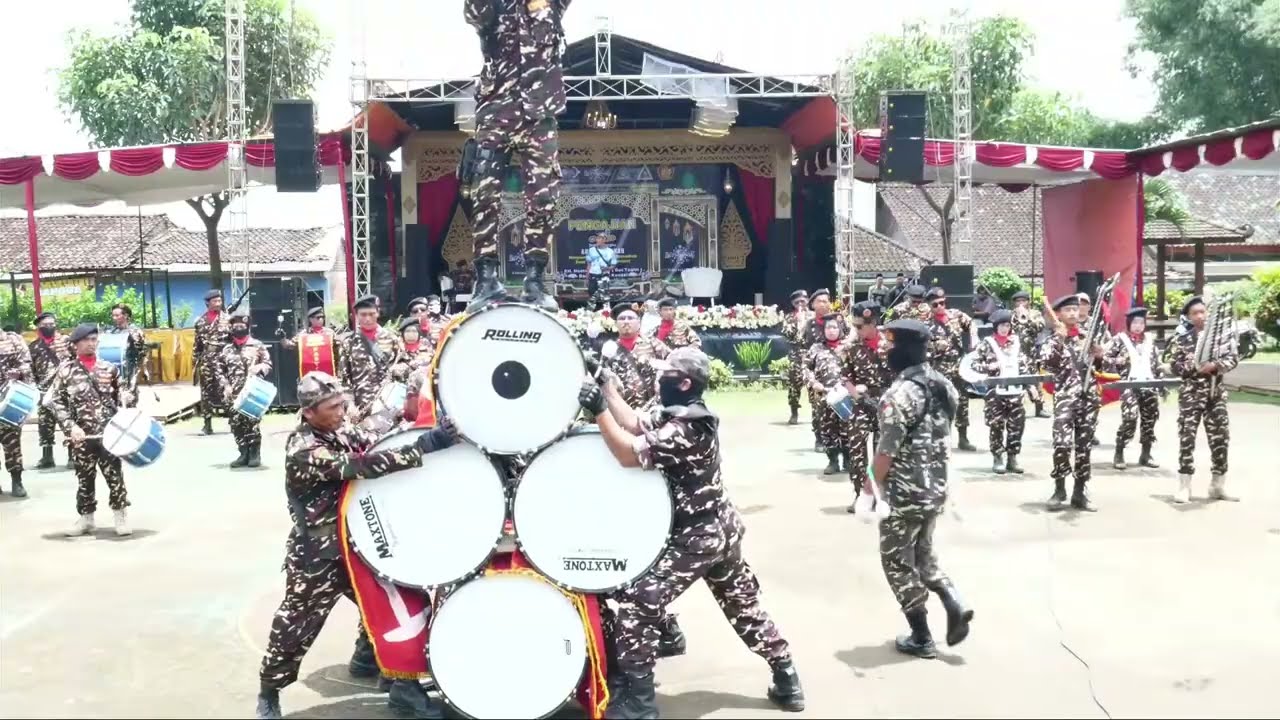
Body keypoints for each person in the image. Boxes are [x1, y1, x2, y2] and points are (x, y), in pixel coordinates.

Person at [579, 347, 804, 718]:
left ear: (684, 383)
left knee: (639, 600)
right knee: (742, 605)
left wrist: (598, 410)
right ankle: (786, 677)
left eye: (665, 374)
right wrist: (606, 386)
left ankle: (639, 703)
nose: (658, 378)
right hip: (717, 528)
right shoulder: (680, 413)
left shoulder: (687, 429)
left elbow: (625, 452)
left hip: (698, 537)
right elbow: (635, 422)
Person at [254, 372, 457, 720]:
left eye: (342, 403)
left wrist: (406, 408)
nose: (341, 411)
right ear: (309, 413)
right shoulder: (304, 449)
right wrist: (422, 447)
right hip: (318, 556)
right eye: (333, 407)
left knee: (397, 607)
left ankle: (393, 679)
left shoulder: (340, 429)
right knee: (296, 626)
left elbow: (371, 434)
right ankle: (269, 692)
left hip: (360, 546)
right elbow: (358, 465)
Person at [872, 319, 972, 659]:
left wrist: (870, 489)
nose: (885, 351)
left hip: (904, 493)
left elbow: (887, 450)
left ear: (902, 350)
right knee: (924, 554)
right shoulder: (944, 385)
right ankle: (953, 599)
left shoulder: (898, 394)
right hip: (935, 487)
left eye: (889, 346)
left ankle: (921, 635)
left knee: (896, 561)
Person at [463, 0, 572, 312]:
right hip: (497, 109)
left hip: (540, 114)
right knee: (484, 194)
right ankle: (486, 279)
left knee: (544, 196)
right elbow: (473, 15)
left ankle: (535, 280)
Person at [44, 324, 133, 536]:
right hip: (81, 436)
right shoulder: (66, 371)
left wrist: (128, 398)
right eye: (86, 340)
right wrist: (70, 426)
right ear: (76, 345)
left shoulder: (109, 369)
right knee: (85, 478)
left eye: (94, 339)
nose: (91, 343)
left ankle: (120, 516)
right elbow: (55, 402)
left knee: (115, 476)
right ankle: (86, 519)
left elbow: (122, 397)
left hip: (108, 434)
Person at [1169, 296, 1239, 504]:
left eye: (1202, 311)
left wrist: (1215, 366)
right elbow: (1175, 366)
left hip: (1215, 394)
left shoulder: (1221, 338)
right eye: (1194, 313)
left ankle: (1217, 485)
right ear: (1188, 317)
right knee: (1187, 438)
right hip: (1191, 395)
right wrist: (1195, 366)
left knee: (1220, 438)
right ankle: (1184, 486)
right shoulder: (1182, 339)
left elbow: (1233, 358)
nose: (1200, 316)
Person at [1038, 295, 1102, 512]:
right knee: (1062, 445)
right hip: (1066, 398)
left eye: (1076, 309)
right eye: (1068, 310)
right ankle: (1059, 488)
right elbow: (1047, 362)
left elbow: (1106, 366)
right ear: (1059, 314)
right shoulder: (1053, 338)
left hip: (1088, 398)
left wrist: (1100, 355)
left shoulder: (1088, 337)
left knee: (1084, 448)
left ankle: (1080, 491)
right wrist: (1059, 339)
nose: (1073, 313)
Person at [840, 300, 892, 512]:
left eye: (860, 326)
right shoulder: (852, 348)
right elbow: (845, 377)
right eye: (854, 326)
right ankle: (860, 493)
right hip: (861, 404)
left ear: (873, 323)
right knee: (856, 449)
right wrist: (857, 396)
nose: (856, 330)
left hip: (885, 404)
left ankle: (880, 494)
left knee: (883, 450)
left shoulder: (890, 346)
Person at [1104, 307, 1162, 470]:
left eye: (1141, 323)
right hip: (1129, 383)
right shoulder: (1119, 339)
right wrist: (1117, 361)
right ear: (1129, 323)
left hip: (1149, 383)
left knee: (1149, 419)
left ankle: (1146, 453)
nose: (1138, 326)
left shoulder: (1150, 339)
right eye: (1135, 323)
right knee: (1130, 417)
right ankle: (1119, 451)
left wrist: (1161, 379)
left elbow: (1157, 362)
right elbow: (1105, 358)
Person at [973, 309, 1029, 474]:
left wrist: (1030, 387)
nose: (1005, 329)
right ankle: (997, 456)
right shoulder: (987, 344)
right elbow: (974, 364)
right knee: (997, 425)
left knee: (1016, 426)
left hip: (1015, 390)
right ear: (996, 326)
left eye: (1007, 325)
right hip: (995, 392)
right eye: (1002, 326)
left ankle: (1012, 457)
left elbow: (1025, 366)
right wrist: (988, 367)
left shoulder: (1016, 342)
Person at [924, 288, 976, 451]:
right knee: (939, 405)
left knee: (962, 402)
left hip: (958, 366)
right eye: (935, 304)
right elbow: (925, 350)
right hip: (939, 369)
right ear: (929, 306)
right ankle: (940, 439)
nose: (940, 307)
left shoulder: (956, 315)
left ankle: (963, 438)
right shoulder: (927, 325)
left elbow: (971, 324)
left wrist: (973, 339)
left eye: (942, 303)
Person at [338, 295, 406, 420]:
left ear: (378, 313)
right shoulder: (348, 342)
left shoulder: (391, 338)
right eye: (363, 315)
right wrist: (350, 405)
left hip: (388, 404)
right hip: (361, 408)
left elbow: (406, 364)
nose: (367, 318)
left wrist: (399, 368)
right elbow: (343, 379)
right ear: (356, 316)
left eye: (371, 314)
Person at [219, 312, 272, 468]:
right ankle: (243, 453)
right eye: (235, 326)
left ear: (247, 327)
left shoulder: (258, 345)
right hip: (233, 393)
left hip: (252, 392)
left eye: (242, 326)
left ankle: (255, 454)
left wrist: (260, 367)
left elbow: (268, 364)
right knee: (236, 424)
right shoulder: (226, 349)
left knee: (252, 422)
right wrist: (225, 385)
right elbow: (219, 370)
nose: (238, 328)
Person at [805, 315, 851, 476]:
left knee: (847, 428)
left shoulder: (848, 348)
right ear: (823, 331)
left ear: (840, 330)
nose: (831, 331)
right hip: (824, 394)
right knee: (827, 429)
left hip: (845, 395)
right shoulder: (816, 348)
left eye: (834, 328)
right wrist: (813, 382)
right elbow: (807, 368)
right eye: (828, 328)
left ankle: (848, 460)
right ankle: (832, 461)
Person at [803, 289, 847, 452]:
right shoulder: (809, 324)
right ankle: (821, 439)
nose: (824, 304)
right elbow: (804, 348)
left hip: (840, 381)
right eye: (820, 301)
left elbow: (849, 338)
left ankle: (845, 452)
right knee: (819, 410)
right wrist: (811, 379)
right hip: (818, 370)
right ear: (813, 304)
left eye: (826, 300)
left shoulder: (839, 320)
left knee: (844, 416)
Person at [29, 311, 71, 471]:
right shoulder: (34, 346)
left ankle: (72, 457)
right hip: (44, 391)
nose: (49, 327)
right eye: (45, 325)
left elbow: (76, 361)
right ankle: (47, 457)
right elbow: (30, 370)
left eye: (52, 324)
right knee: (45, 424)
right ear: (39, 327)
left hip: (65, 389)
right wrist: (34, 387)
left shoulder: (66, 342)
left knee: (68, 421)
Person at [604, 303, 658, 409]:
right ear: (616, 324)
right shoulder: (609, 350)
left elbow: (671, 366)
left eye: (630, 318)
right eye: (622, 318)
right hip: (622, 411)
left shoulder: (653, 344)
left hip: (651, 410)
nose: (626, 321)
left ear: (639, 322)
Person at [0, 326, 33, 497]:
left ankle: (16, 481)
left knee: (12, 444)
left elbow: (26, 362)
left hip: (9, 398)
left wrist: (19, 373)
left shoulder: (13, 340)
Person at [194, 289, 230, 435]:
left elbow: (233, 340)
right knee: (206, 393)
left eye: (220, 301)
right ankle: (207, 424)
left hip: (223, 359)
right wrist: (195, 362)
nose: (218, 304)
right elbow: (197, 344)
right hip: (207, 360)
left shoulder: (228, 319)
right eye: (215, 301)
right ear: (207, 303)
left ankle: (233, 422)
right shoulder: (201, 321)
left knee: (227, 390)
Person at [1009, 290, 1049, 418]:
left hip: (1029, 352)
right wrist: (1015, 317)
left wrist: (1028, 317)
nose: (1021, 303)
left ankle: (1039, 407)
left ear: (1028, 302)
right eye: (1018, 301)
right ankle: (1014, 408)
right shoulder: (1010, 315)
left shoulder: (1035, 314)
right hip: (1012, 352)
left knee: (1034, 378)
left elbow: (1040, 327)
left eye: (1023, 301)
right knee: (1014, 379)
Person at [104, 304, 149, 408]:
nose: (114, 318)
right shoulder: (111, 332)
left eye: (117, 315)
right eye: (113, 315)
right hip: (114, 370)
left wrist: (144, 368)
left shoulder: (134, 331)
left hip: (129, 369)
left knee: (129, 397)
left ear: (126, 316)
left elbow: (143, 351)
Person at [779, 290, 811, 426]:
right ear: (793, 303)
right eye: (797, 302)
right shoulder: (789, 318)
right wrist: (797, 322)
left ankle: (818, 413)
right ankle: (794, 412)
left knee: (815, 386)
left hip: (812, 354)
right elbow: (787, 334)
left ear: (807, 300)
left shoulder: (814, 316)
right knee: (794, 385)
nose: (800, 304)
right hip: (796, 354)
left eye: (802, 301)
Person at [586, 233, 618, 306]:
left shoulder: (610, 251)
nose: (597, 240)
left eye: (600, 238)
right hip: (593, 275)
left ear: (604, 240)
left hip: (604, 276)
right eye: (597, 238)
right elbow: (588, 264)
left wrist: (607, 268)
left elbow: (613, 265)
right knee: (592, 295)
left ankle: (605, 313)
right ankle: (591, 312)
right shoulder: (591, 250)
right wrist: (587, 278)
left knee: (605, 296)